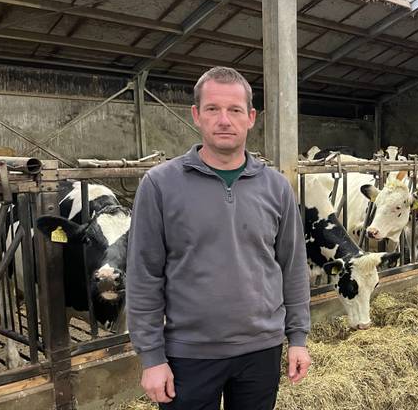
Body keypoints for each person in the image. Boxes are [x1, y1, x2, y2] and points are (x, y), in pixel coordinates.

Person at [127, 66, 311, 410]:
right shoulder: (160, 185)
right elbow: (143, 274)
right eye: (213, 109)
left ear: (251, 117)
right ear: (196, 115)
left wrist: (297, 338)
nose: (224, 120)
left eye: (235, 110)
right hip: (188, 354)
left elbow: (293, 266)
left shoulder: (276, 188)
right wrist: (151, 357)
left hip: (261, 350)